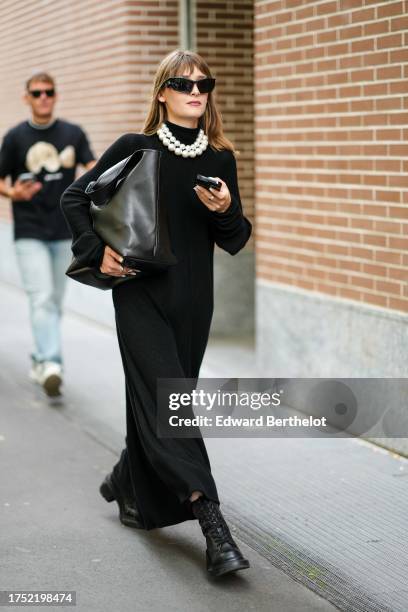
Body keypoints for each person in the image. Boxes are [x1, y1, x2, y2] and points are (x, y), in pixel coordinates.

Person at [60, 49, 252, 578]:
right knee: (173, 404)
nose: (196, 92)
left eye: (203, 84)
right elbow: (75, 198)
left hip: (195, 302)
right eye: (184, 84)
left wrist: (226, 210)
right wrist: (94, 249)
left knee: (166, 403)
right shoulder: (135, 148)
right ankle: (213, 524)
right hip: (140, 294)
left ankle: (127, 478)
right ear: (162, 93)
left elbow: (235, 240)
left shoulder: (219, 158)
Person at [0, 72, 96, 397]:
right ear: (26, 97)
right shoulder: (14, 137)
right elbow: (1, 180)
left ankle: (40, 357)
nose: (43, 97)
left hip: (65, 230)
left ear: (56, 96)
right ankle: (53, 363)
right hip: (29, 229)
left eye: (49, 92)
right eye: (37, 93)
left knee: (53, 300)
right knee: (41, 297)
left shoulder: (73, 133)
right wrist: (14, 194)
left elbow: (93, 167)